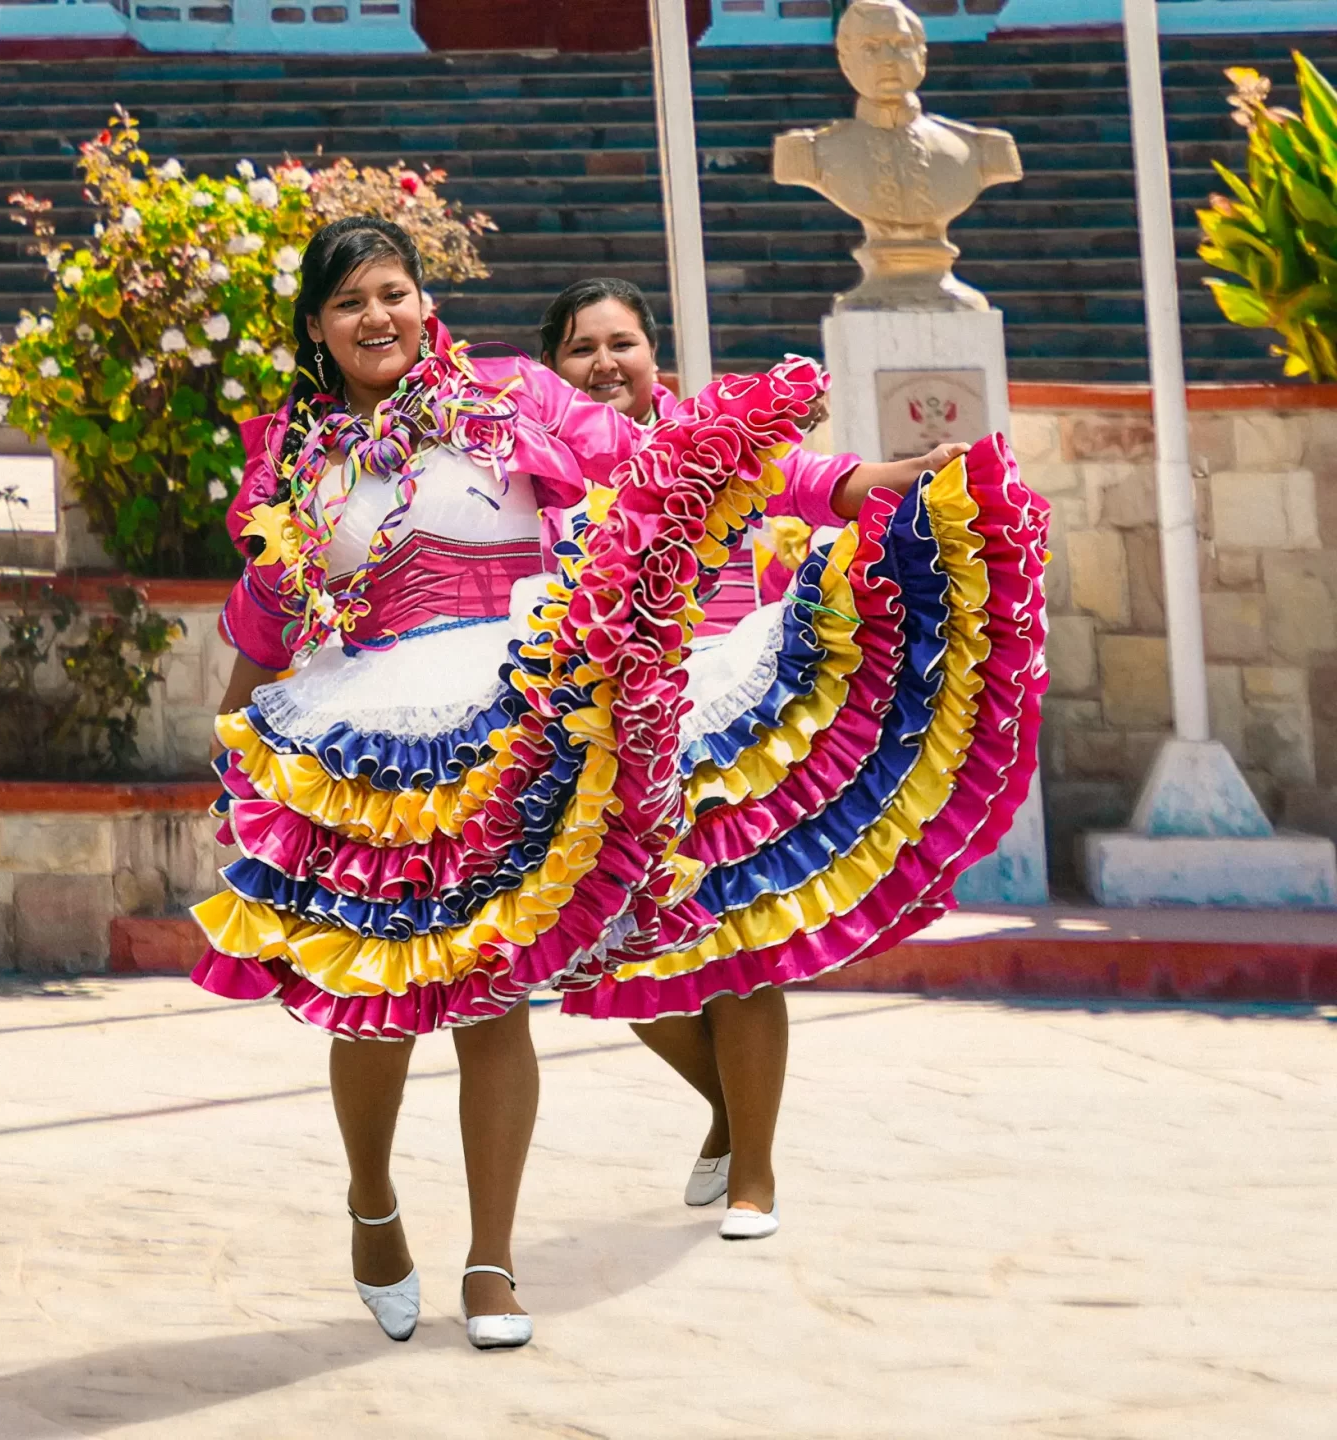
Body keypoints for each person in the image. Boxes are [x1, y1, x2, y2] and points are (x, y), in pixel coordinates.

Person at [195, 218, 829, 1350]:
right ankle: (373, 1204)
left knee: (492, 1002)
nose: (377, 317)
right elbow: (265, 618)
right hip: (368, 755)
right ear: (316, 328)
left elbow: (668, 459)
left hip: (510, 730)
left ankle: (492, 1263)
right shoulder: (291, 459)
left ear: (422, 300)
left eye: (393, 291)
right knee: (376, 1013)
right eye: (350, 303)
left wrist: (852, 481)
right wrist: (231, 763)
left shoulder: (511, 396)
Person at [540, 276, 1046, 1239]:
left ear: (655, 356)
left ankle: (754, 1176)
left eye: (621, 343)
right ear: (554, 367)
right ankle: (731, 1112)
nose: (604, 363)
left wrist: (911, 472)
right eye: (580, 348)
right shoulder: (540, 466)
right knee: (602, 956)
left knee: (738, 946)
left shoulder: (710, 436)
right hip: (603, 732)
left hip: (725, 714)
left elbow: (822, 483)